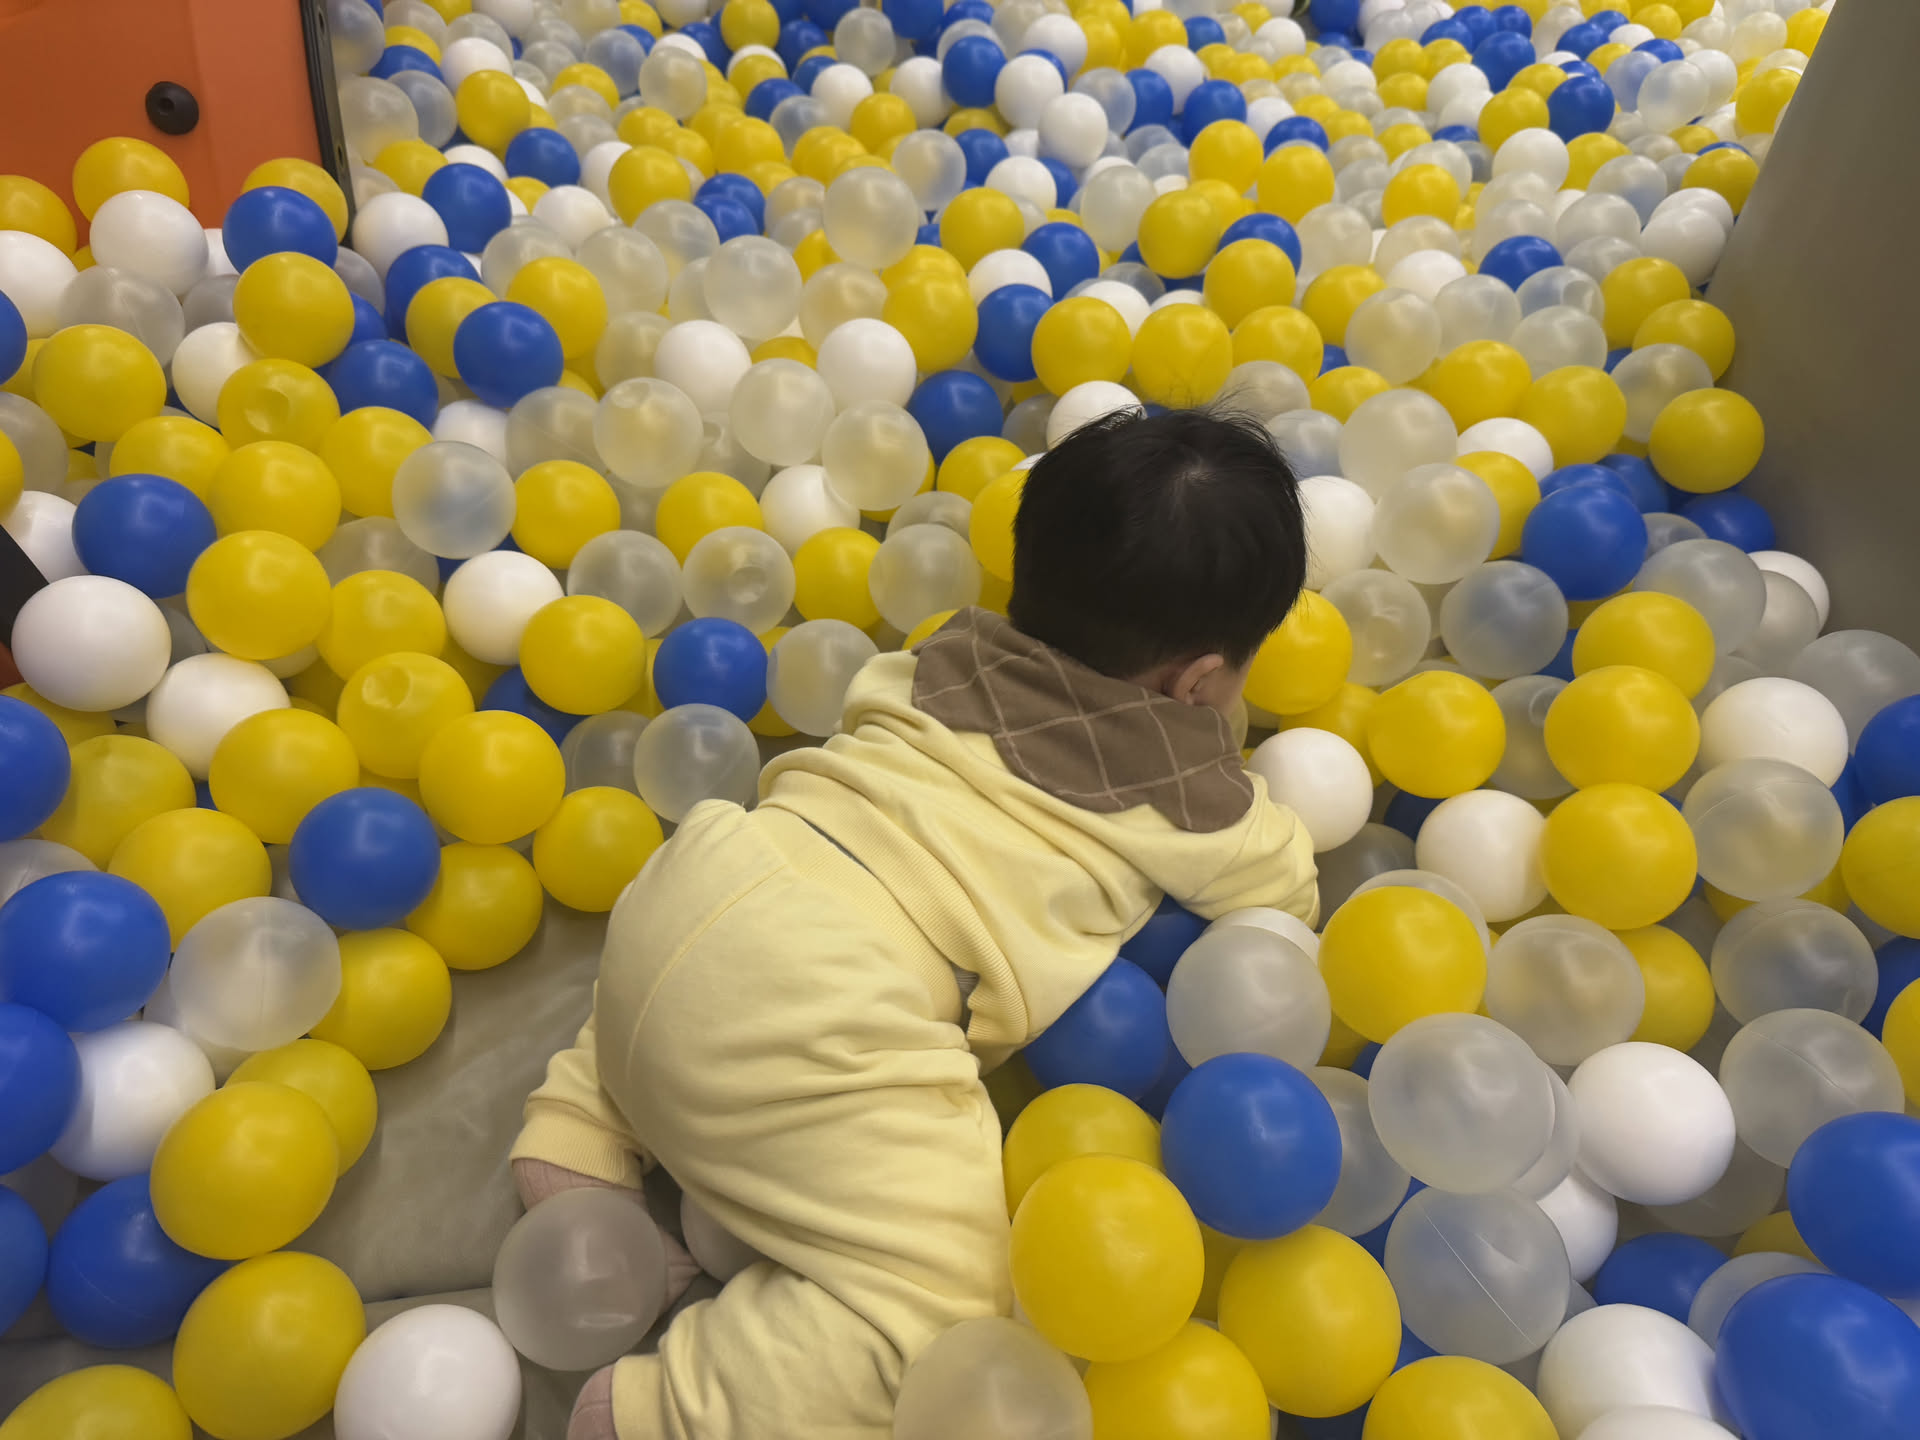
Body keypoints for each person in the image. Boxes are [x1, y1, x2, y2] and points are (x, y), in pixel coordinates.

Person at [509, 407, 1321, 1440]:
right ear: (1200, 681)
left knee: (691, 977)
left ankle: (581, 1125)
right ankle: (670, 1409)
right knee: (958, 1293)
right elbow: (1287, 889)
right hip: (830, 1000)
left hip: (705, 878)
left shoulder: (941, 653)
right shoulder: (1191, 798)